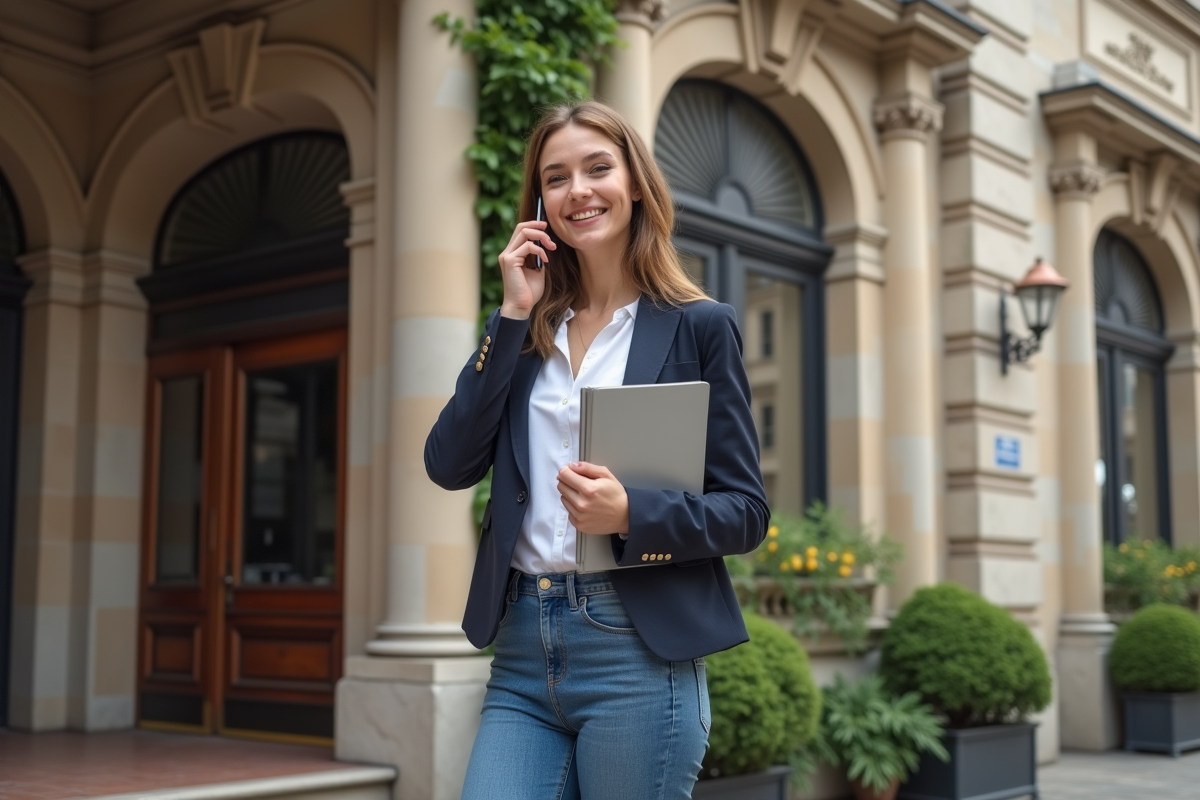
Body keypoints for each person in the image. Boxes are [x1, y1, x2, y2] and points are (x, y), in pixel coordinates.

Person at [424, 100, 769, 800]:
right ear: (541, 203)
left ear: (635, 183)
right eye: (556, 177)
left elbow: (746, 512)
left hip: (636, 651)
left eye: (597, 168)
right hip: (523, 648)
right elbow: (449, 463)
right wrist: (512, 313)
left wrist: (630, 513)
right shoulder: (527, 331)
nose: (577, 189)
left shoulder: (700, 327)